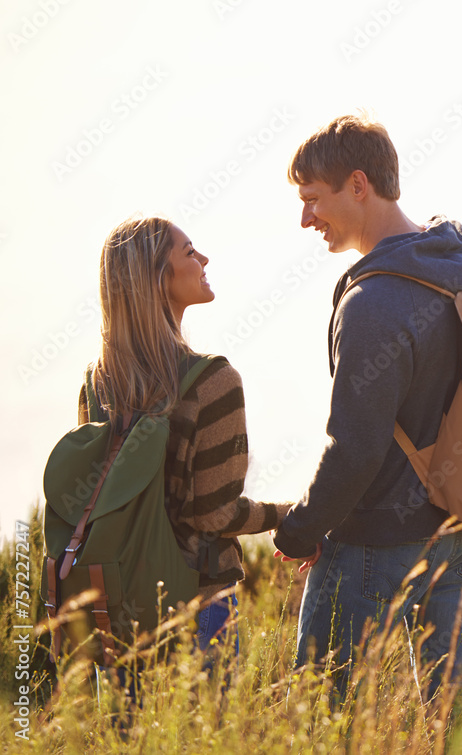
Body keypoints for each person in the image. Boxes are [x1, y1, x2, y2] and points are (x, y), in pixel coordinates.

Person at [271, 114, 462, 748]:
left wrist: (299, 530)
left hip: (376, 543)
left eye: (312, 200)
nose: (305, 219)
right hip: (461, 533)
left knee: (325, 720)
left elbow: (356, 450)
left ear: (358, 185)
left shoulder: (372, 303)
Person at [85, 216, 291, 656]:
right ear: (160, 279)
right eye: (190, 252)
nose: (204, 259)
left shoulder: (98, 383)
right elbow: (214, 515)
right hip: (200, 601)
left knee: (125, 726)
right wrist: (286, 514)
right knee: (202, 724)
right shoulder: (212, 380)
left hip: (115, 603)